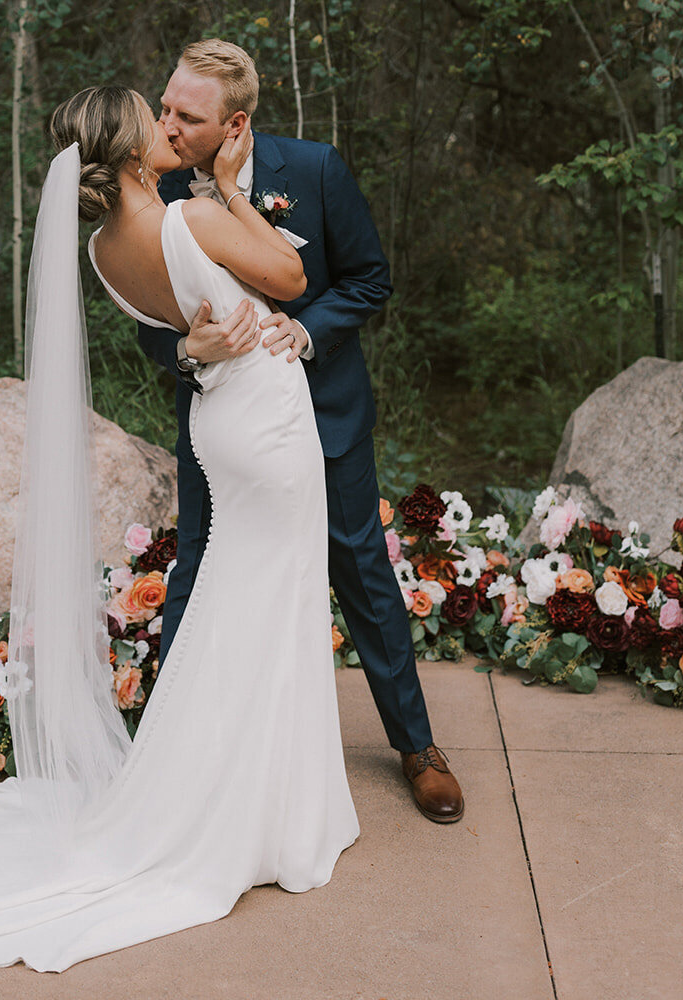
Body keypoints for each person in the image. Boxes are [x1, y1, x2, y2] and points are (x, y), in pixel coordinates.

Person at [0, 86, 358, 972]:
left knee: (240, 605)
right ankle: (261, 813)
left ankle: (243, 796)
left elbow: (181, 336)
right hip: (266, 431)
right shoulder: (193, 217)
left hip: (218, 426)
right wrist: (231, 185)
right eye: (148, 120)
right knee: (267, 605)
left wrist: (197, 346)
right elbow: (291, 276)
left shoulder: (100, 247)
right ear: (123, 152)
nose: (166, 127)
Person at [140, 40, 464, 822]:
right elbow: (147, 315)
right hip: (219, 422)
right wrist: (186, 348)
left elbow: (368, 279)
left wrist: (307, 331)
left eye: (187, 115)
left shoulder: (313, 170)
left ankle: (416, 747)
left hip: (324, 416)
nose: (167, 125)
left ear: (235, 123)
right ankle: (160, 750)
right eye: (164, 108)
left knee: (360, 569)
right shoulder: (155, 190)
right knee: (197, 567)